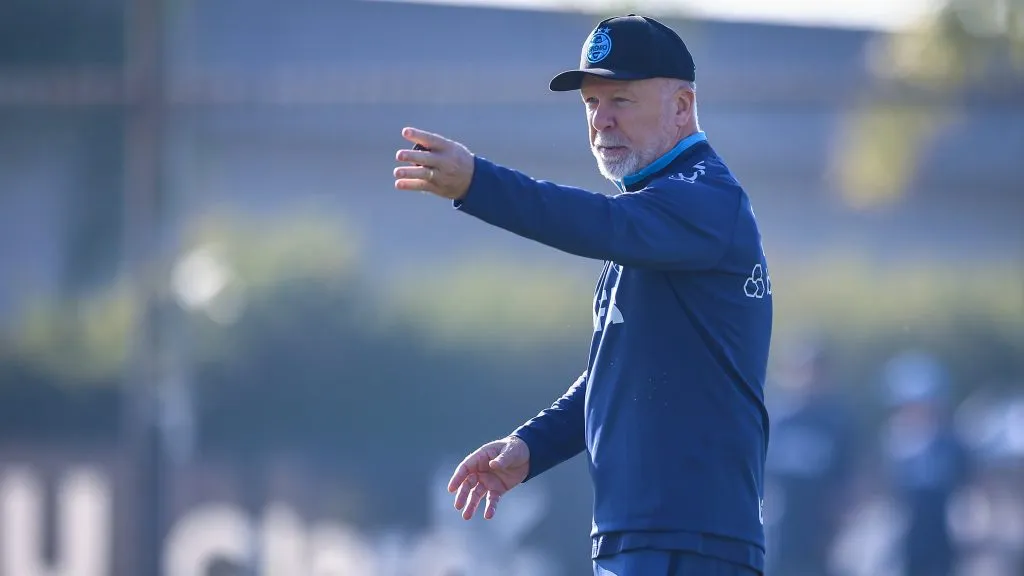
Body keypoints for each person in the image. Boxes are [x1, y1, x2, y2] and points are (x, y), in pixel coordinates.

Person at [392, 14, 773, 576]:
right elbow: (616, 373)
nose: (602, 120)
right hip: (638, 534)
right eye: (591, 104)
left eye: (620, 98)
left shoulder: (704, 199)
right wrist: (531, 446)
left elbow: (595, 223)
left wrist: (480, 183)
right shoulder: (656, 215)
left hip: (690, 540)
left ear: (682, 107)